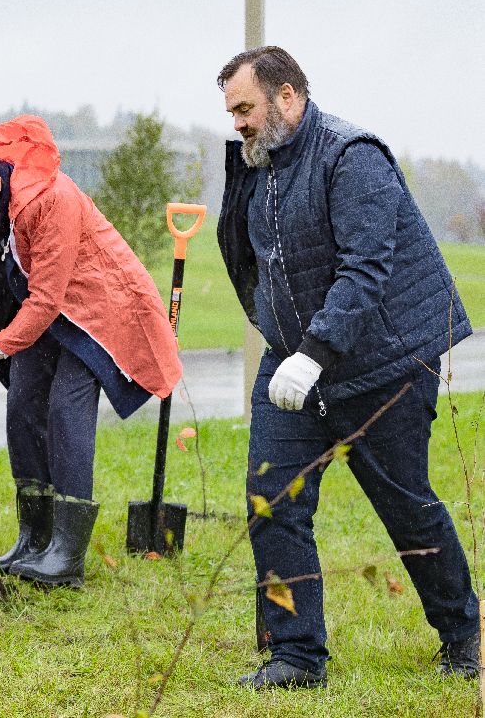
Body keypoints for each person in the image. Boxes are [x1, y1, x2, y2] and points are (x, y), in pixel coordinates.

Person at [216, 46, 478, 690]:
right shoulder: (259, 166)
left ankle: (465, 636)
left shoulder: (351, 156)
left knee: (407, 509)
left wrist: (316, 351)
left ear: (287, 96)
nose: (238, 123)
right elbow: (254, 264)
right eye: (230, 112)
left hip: (380, 369)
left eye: (245, 107)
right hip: (293, 369)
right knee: (272, 503)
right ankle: (295, 655)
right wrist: (283, 342)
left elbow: (366, 268)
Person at [0, 114, 181, 587]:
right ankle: (34, 539)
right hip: (41, 310)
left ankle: (67, 556)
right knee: (23, 402)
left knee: (65, 408)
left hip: (98, 309)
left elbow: (48, 298)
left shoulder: (49, 199)